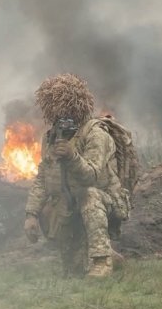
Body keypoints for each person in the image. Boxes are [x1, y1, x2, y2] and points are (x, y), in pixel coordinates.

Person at [22, 74, 123, 278]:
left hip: (103, 201)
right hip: (68, 204)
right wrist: (31, 214)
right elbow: (42, 178)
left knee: (90, 196)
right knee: (73, 271)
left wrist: (71, 156)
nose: (62, 116)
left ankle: (102, 261)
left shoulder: (95, 134)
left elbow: (93, 176)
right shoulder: (51, 138)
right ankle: (107, 255)